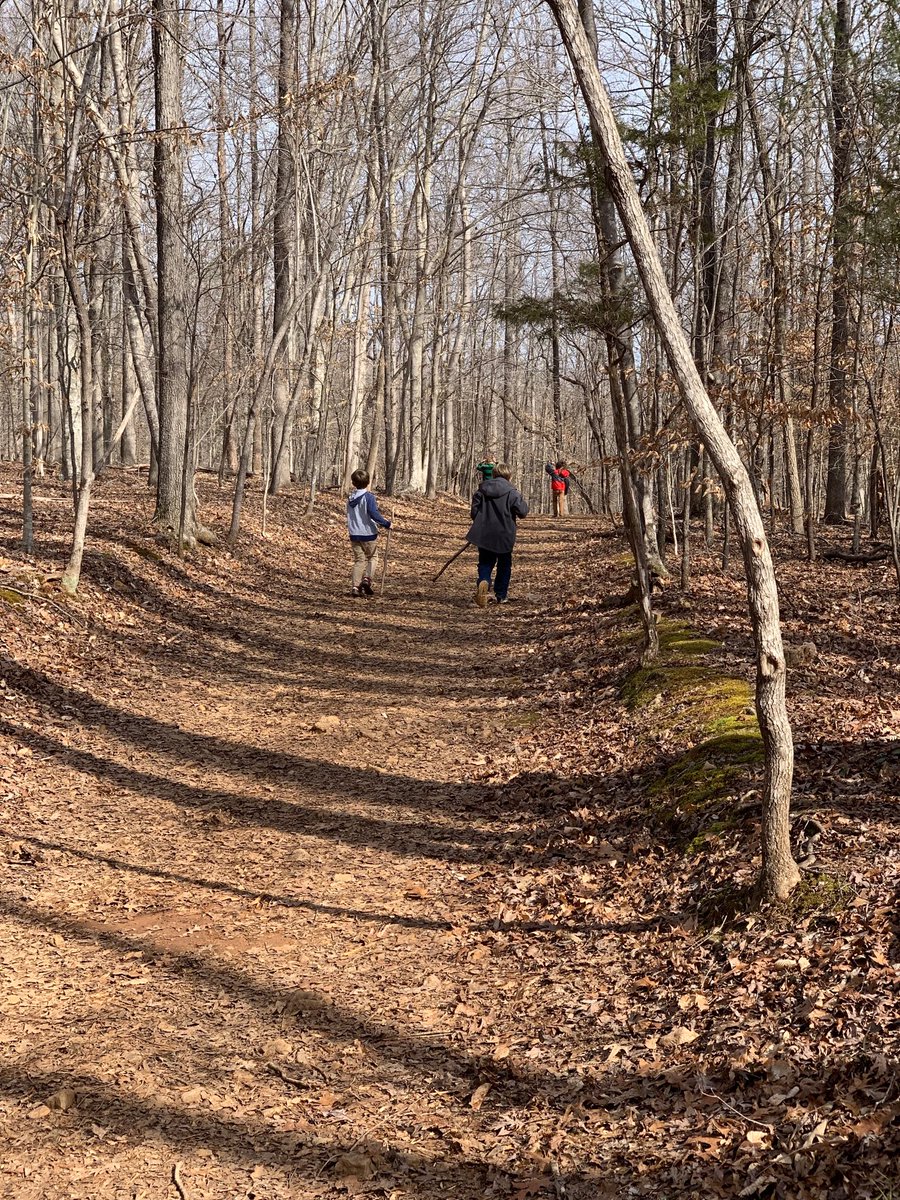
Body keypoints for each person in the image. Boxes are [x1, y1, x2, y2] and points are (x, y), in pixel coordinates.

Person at [466, 463, 528, 607]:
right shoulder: (512, 492)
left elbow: (474, 513)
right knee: (504, 564)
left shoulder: (481, 490)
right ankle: (501, 595)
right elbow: (523, 512)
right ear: (509, 476)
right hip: (505, 534)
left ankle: (484, 581)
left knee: (486, 562)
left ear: (494, 474)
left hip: (485, 533)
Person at [346, 468, 391, 597]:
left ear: (353, 483)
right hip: (368, 533)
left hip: (354, 533)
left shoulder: (350, 498)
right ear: (368, 482)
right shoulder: (368, 497)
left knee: (359, 560)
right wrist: (387, 524)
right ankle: (367, 579)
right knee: (373, 557)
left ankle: (355, 586)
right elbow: (374, 514)